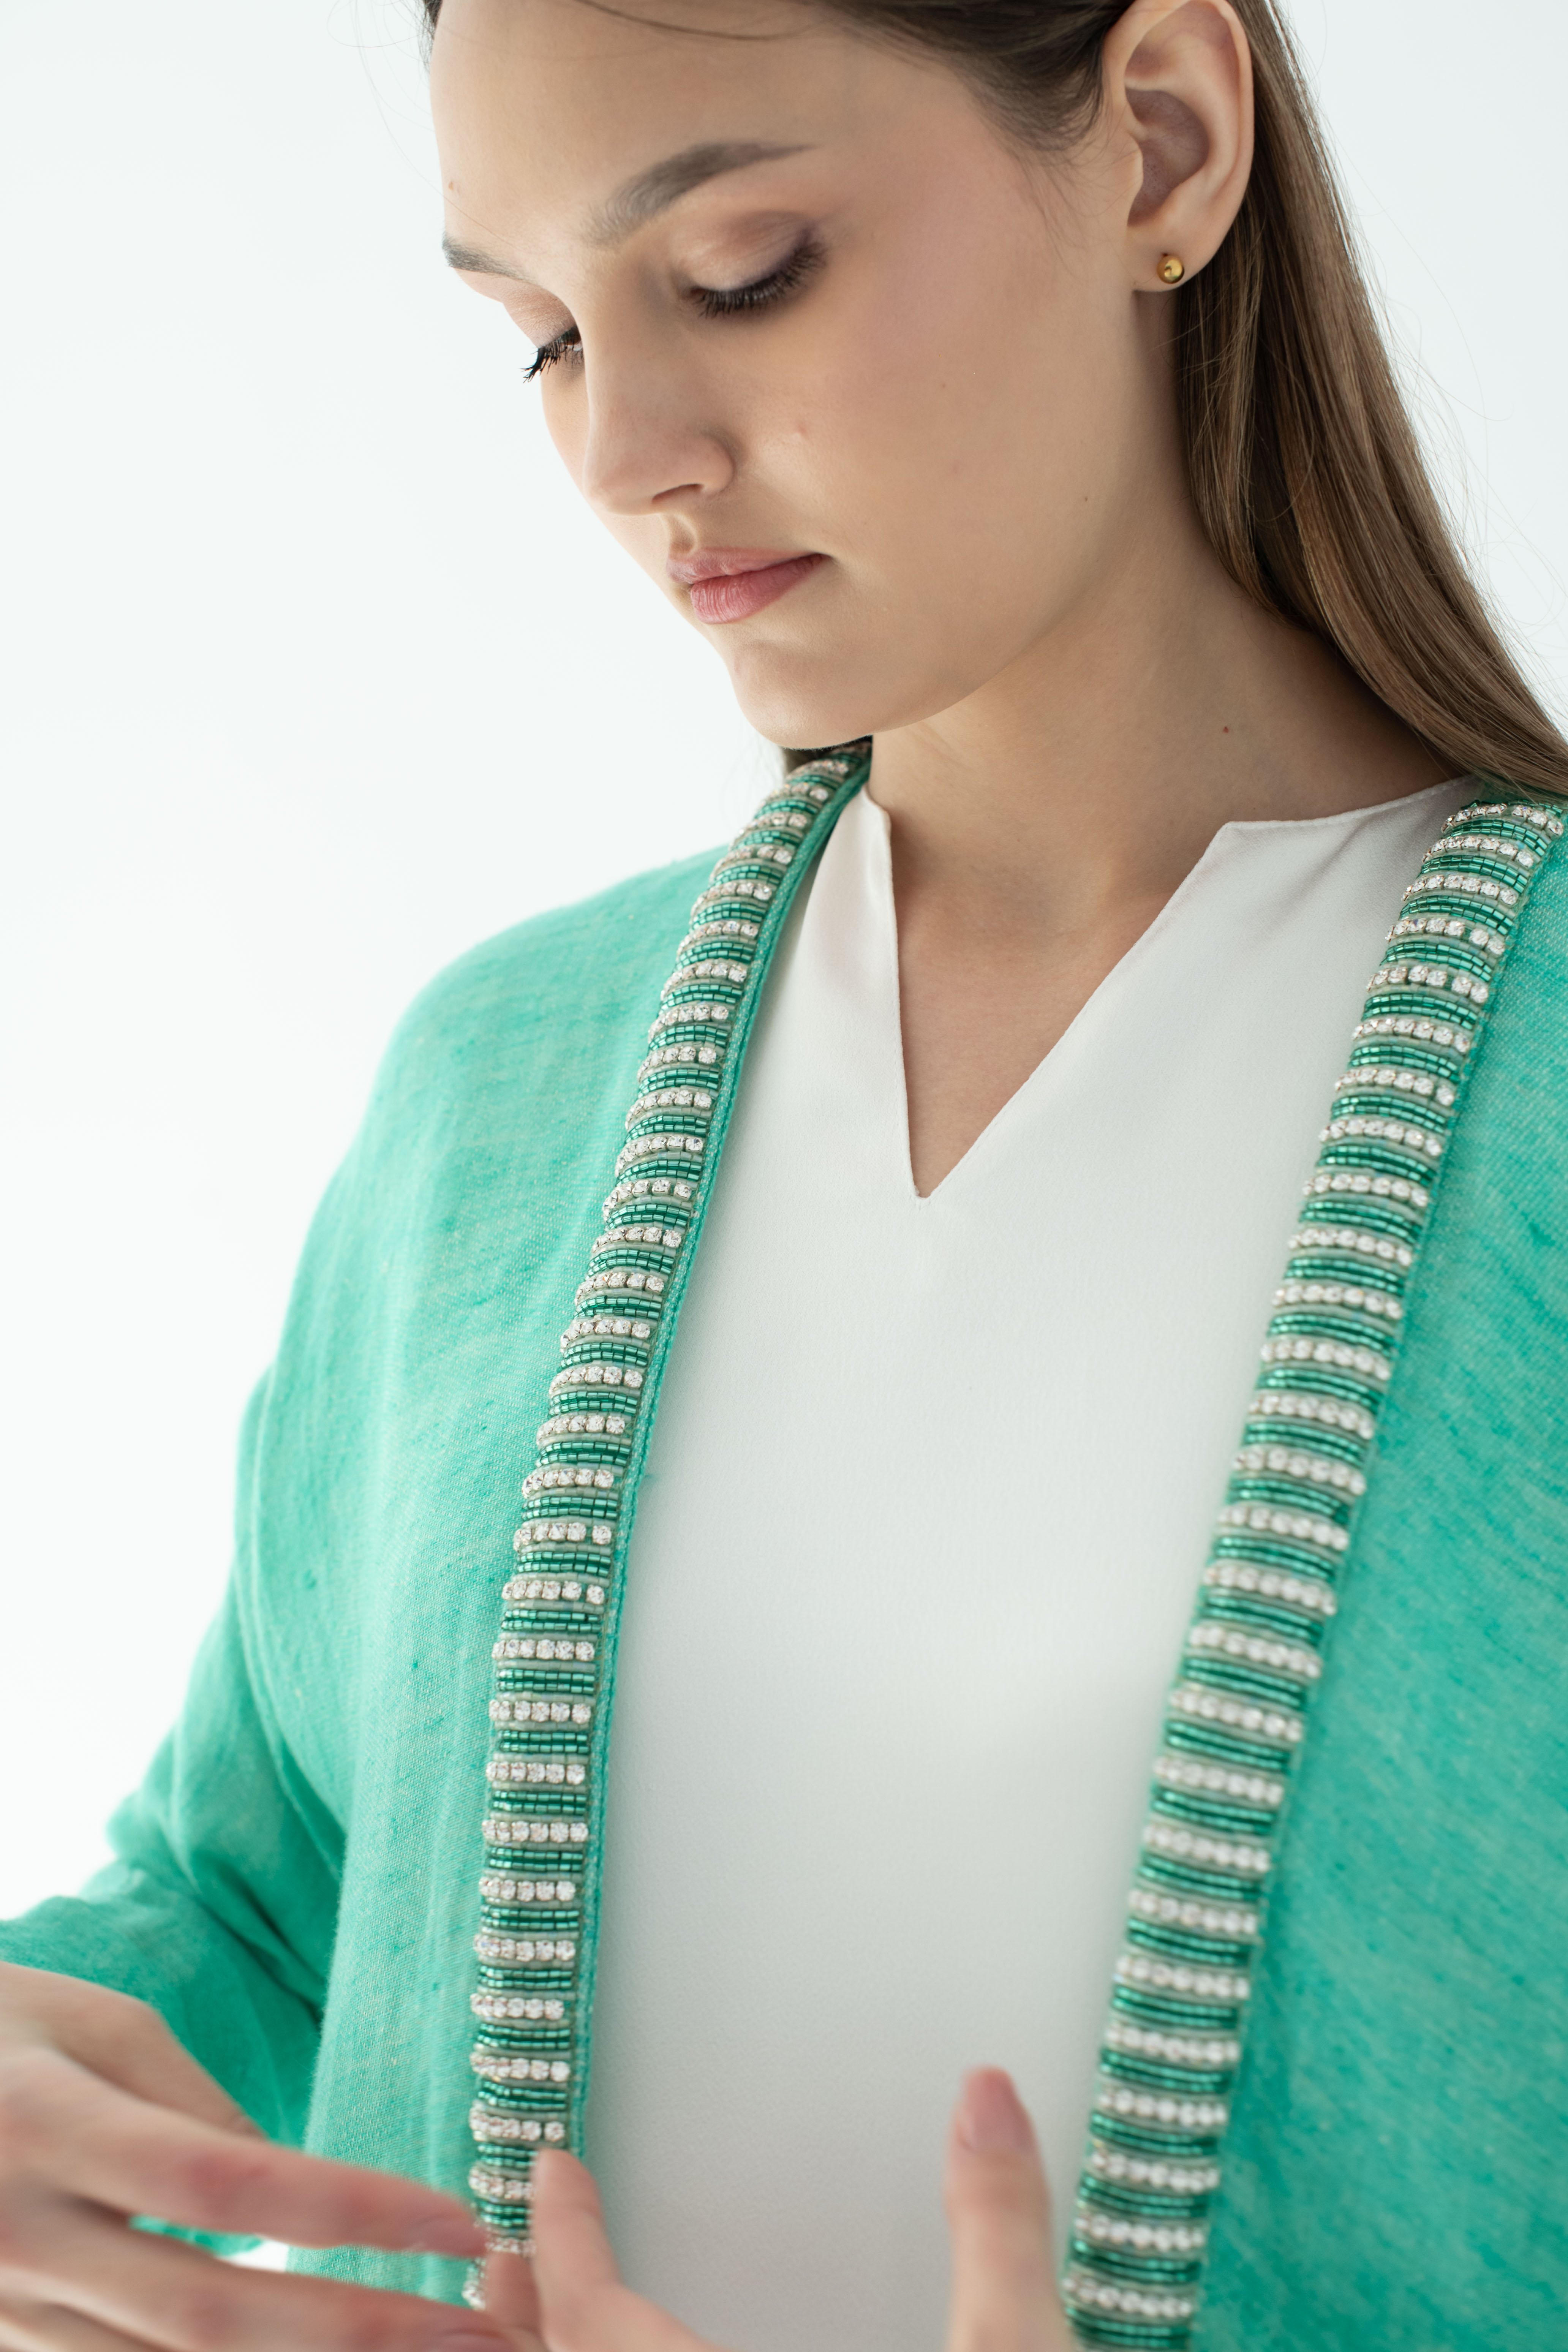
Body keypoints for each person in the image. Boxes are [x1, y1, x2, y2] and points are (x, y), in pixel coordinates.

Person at [3, 0, 1566, 2345]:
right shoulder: (498, 1096)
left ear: (1161, 142)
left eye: (743, 273)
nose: (626, 451)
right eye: (539, 337)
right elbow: (257, 1905)